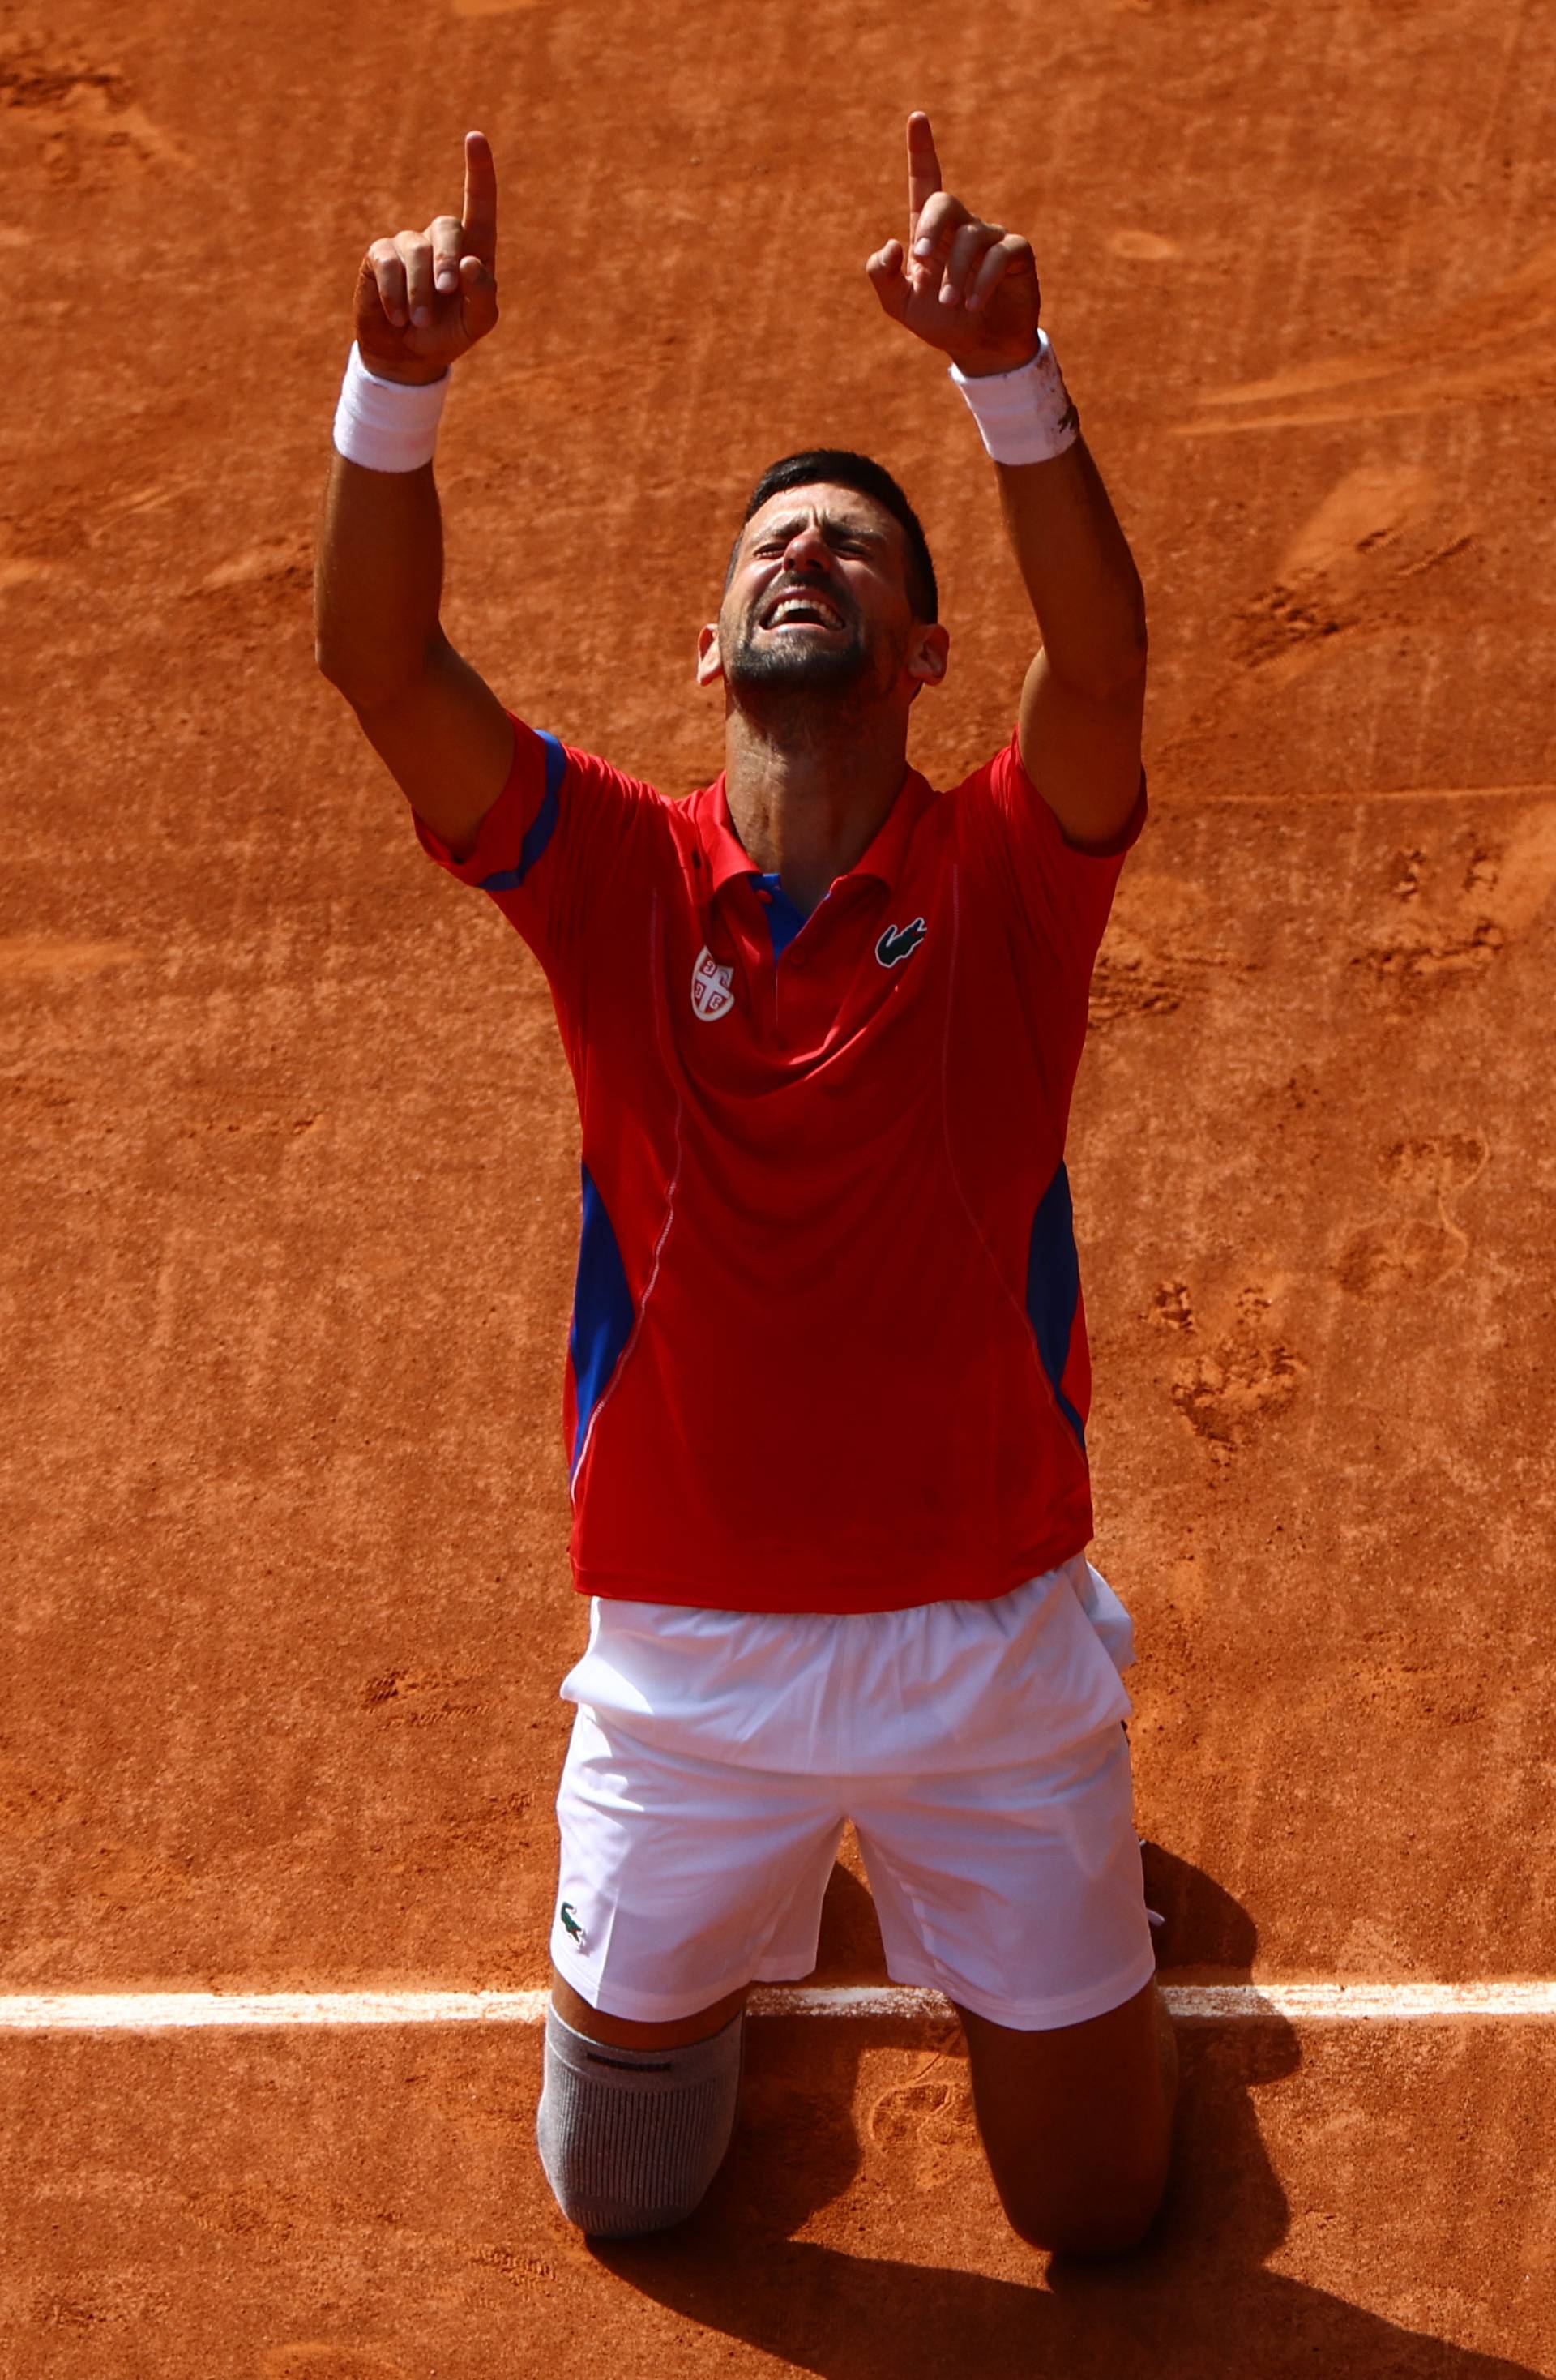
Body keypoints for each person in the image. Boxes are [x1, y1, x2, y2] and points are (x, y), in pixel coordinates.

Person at [315, 113, 1176, 2258]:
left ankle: (962, 1915)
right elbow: (383, 671)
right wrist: (391, 387)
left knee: (1102, 2219)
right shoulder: (614, 874)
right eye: (773, 544)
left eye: (858, 551)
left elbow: (1112, 665)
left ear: (926, 656)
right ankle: (755, 1916)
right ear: (710, 653)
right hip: (689, 1658)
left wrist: (1008, 376)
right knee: (625, 2198)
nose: (808, 555)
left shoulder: (1003, 875)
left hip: (988, 1647)